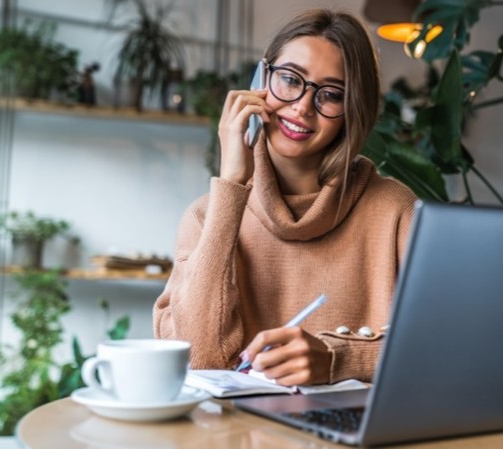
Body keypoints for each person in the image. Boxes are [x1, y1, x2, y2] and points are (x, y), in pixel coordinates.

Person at [153, 9, 417, 386]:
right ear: (261, 78)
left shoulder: (395, 210)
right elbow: (198, 360)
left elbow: (443, 346)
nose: (302, 106)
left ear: (353, 108)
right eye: (290, 80)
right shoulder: (206, 216)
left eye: (331, 94)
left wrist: (336, 359)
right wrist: (231, 186)